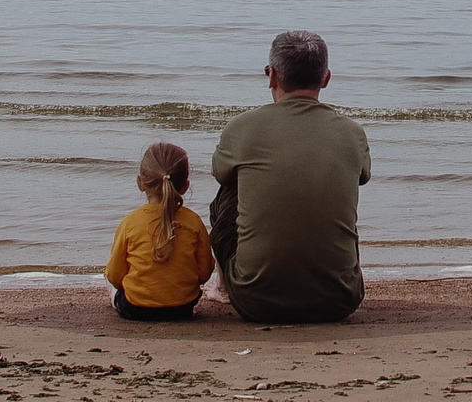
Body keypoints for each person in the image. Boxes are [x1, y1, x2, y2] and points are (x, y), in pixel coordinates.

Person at [208, 30, 372, 324]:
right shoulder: (352, 132)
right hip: (339, 299)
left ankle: (223, 285)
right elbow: (363, 176)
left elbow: (220, 173)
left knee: (228, 192)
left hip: (255, 301)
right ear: (326, 79)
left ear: (272, 76)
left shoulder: (241, 128)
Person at [104, 140, 213, 321]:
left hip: (136, 307)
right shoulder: (194, 221)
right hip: (182, 308)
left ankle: (116, 301)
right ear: (185, 186)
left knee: (107, 276)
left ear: (140, 183)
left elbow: (115, 276)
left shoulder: (130, 222)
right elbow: (204, 273)